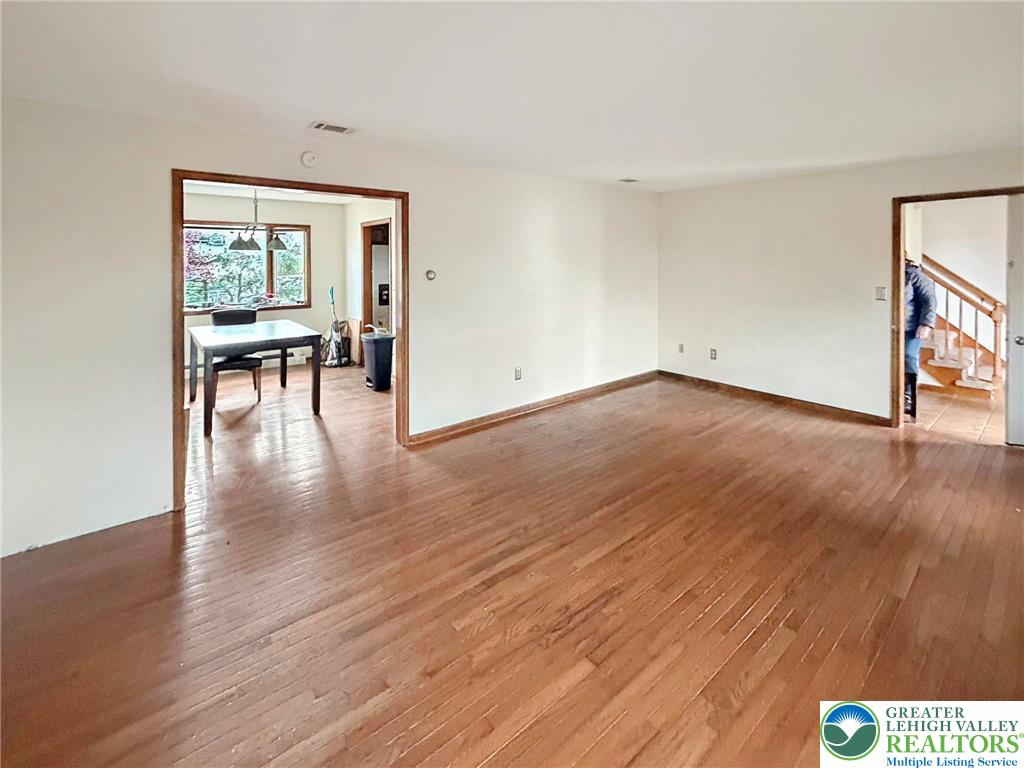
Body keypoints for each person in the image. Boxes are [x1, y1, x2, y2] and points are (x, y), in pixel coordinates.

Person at [905, 255, 937, 419]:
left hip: (910, 328)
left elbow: (929, 301)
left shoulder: (914, 275)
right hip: (890, 327)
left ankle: (908, 396)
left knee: (909, 358)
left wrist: (926, 324)